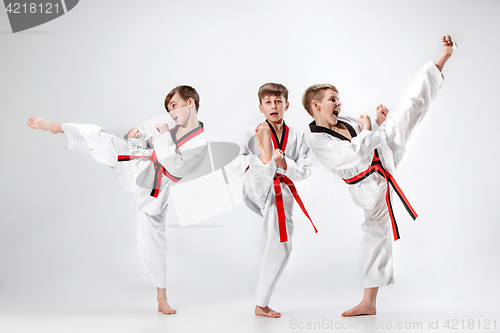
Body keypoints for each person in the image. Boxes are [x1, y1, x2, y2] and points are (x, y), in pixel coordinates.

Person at [303, 36, 457, 316]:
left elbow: (368, 140)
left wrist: (379, 126)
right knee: (375, 235)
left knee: (412, 108)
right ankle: (369, 303)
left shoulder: (344, 120)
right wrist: (367, 128)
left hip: (382, 152)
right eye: (333, 100)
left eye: (338, 99)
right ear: (316, 106)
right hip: (368, 186)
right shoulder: (316, 139)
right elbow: (354, 154)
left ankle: (443, 57)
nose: (339, 104)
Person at [27, 85, 208, 315]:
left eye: (174, 106)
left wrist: (162, 135)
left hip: (154, 190)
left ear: (190, 103)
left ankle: (162, 299)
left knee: (154, 244)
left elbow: (175, 169)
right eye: (168, 109)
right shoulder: (174, 130)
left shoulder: (199, 141)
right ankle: (56, 128)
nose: (171, 113)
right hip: (140, 163)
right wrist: (139, 138)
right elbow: (153, 147)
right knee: (100, 136)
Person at [231, 83, 317, 318]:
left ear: (286, 105)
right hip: (255, 185)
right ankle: (263, 157)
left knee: (278, 245)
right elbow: (235, 162)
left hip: (280, 192)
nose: (273, 106)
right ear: (261, 107)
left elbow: (307, 169)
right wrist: (261, 160)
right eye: (268, 102)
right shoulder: (252, 131)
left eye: (278, 101)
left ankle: (261, 303)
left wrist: (284, 164)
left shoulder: (298, 137)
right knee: (259, 165)